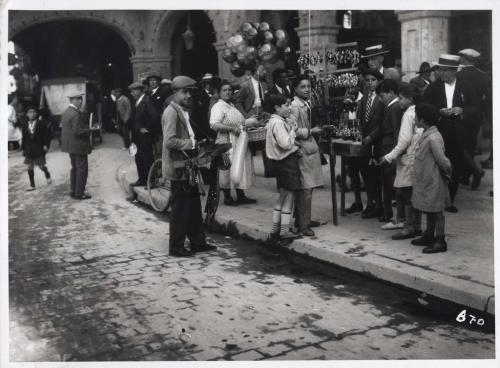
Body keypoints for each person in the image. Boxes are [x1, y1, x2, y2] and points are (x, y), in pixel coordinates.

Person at [162, 76, 216, 257]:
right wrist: (191, 144)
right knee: (180, 208)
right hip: (178, 167)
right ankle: (176, 246)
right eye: (184, 92)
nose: (188, 96)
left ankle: (197, 242)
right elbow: (169, 141)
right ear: (175, 93)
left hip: (187, 166)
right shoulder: (171, 112)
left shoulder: (182, 111)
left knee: (193, 206)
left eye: (190, 92)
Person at [423, 54, 481, 212]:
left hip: (459, 131)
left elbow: (476, 106)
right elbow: (423, 106)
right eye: (440, 69)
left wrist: (462, 110)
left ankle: (450, 201)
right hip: (438, 131)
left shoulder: (466, 86)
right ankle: (437, 199)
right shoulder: (433, 87)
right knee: (438, 165)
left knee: (455, 166)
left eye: (446, 70)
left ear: (454, 71)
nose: (442, 73)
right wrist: (438, 112)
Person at [380, 84, 423, 239]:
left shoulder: (408, 115)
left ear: (410, 99)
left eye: (402, 98)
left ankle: (409, 227)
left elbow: (403, 141)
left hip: (407, 159)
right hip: (417, 157)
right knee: (413, 193)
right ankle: (416, 226)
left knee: (405, 194)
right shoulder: (418, 111)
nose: (399, 101)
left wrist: (388, 156)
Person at [410, 103, 452, 254]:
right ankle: (429, 235)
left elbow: (443, 161)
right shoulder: (427, 133)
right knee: (429, 208)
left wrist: (447, 175)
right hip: (426, 180)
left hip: (435, 181)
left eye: (416, 116)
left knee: (437, 211)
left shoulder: (433, 138)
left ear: (423, 119)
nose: (414, 118)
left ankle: (440, 240)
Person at [210, 80, 257, 205]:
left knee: (240, 166)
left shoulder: (232, 105)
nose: (228, 92)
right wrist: (231, 129)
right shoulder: (218, 107)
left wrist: (249, 122)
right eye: (224, 90)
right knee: (227, 168)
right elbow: (214, 124)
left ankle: (241, 195)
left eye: (230, 90)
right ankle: (227, 197)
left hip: (238, 140)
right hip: (226, 141)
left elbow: (239, 121)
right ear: (219, 93)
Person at [265, 93, 305, 242]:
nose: (289, 108)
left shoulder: (273, 121)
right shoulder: (278, 123)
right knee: (290, 195)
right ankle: (284, 231)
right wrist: (293, 131)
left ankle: (275, 229)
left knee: (281, 195)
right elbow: (286, 144)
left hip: (278, 163)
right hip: (286, 162)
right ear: (277, 107)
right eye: (286, 105)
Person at [346, 68, 384, 218]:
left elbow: (383, 123)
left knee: (374, 176)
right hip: (364, 141)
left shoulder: (381, 98)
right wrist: (360, 132)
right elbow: (360, 119)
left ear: (379, 81)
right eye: (367, 80)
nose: (369, 83)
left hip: (376, 142)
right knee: (361, 172)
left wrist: (372, 136)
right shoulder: (364, 97)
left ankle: (377, 205)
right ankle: (367, 203)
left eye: (373, 80)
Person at [290, 75, 324, 236]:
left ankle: (304, 220)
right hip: (302, 149)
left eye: (309, 86)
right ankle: (303, 225)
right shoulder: (295, 107)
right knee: (305, 189)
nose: (307, 89)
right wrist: (311, 131)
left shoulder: (306, 104)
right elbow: (292, 130)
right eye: (302, 87)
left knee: (308, 188)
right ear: (295, 89)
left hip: (309, 148)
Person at [373, 79, 404, 224]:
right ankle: (389, 214)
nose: (380, 99)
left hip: (390, 152)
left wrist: (393, 156)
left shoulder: (395, 108)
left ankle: (394, 216)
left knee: (392, 185)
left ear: (391, 93)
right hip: (387, 150)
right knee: (387, 184)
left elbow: (397, 133)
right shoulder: (391, 107)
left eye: (382, 95)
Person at [457, 48, 492, 170]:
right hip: (476, 115)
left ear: (463, 59)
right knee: (472, 143)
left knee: (460, 143)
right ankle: (469, 172)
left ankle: (464, 173)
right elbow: (489, 99)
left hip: (459, 113)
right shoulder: (484, 76)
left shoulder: (458, 75)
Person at [60, 93, 92, 200]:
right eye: (79, 100)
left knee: (74, 168)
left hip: (70, 146)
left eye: (81, 100)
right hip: (79, 146)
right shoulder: (75, 113)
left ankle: (74, 190)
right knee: (82, 169)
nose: (81, 102)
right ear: (73, 100)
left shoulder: (66, 112)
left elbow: (71, 128)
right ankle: (79, 193)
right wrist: (90, 130)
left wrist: (85, 127)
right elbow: (77, 130)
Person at [128, 82, 159, 187]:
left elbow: (155, 116)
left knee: (147, 159)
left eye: (134, 91)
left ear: (141, 90)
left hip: (145, 137)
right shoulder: (137, 102)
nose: (132, 93)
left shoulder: (147, 101)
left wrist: (147, 128)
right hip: (137, 137)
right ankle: (142, 179)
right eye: (131, 91)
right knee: (139, 158)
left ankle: (152, 182)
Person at [21, 105, 52, 191]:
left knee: (41, 166)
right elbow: (24, 137)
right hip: (29, 149)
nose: (32, 114)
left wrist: (46, 145)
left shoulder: (41, 124)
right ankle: (32, 185)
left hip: (39, 148)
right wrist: (23, 148)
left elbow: (47, 135)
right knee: (29, 167)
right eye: (30, 112)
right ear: (27, 114)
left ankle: (47, 173)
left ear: (37, 113)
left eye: (34, 112)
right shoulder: (24, 124)